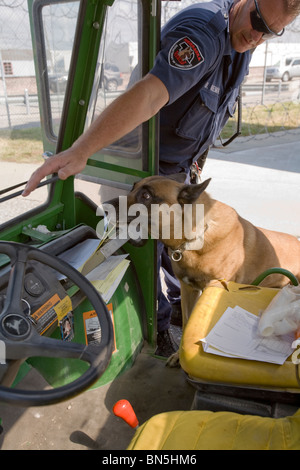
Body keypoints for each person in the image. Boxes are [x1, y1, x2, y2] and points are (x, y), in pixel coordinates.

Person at [23, 0, 300, 356]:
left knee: (180, 254)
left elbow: (206, 119)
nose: (257, 35)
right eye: (258, 20)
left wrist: (193, 168)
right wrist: (81, 150)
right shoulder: (203, 33)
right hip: (139, 168)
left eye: (270, 32)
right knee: (137, 260)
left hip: (176, 173)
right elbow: (151, 94)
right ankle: (156, 337)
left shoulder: (241, 44)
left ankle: (179, 317)